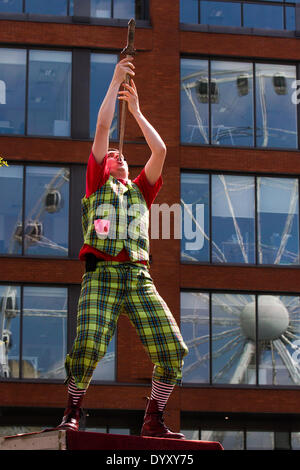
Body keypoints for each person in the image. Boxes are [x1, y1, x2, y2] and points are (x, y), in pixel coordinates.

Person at [56, 57, 188, 439]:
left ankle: (153, 417)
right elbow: (101, 126)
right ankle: (73, 408)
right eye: (113, 155)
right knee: (89, 344)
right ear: (103, 165)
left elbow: (160, 151)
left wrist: (138, 110)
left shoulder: (141, 191)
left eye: (122, 156)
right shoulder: (96, 184)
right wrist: (115, 82)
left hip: (138, 275)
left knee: (172, 348)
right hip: (102, 274)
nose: (118, 156)